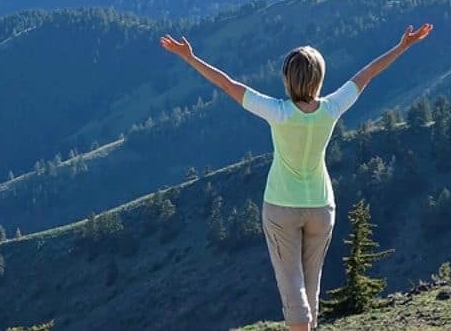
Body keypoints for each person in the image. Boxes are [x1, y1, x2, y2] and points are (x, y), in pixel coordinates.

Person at [159, 23, 433, 330]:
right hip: (321, 205)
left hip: (281, 205)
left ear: (288, 79)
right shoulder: (331, 109)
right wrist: (403, 46)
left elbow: (227, 84)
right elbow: (367, 74)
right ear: (319, 78)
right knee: (310, 285)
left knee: (292, 287)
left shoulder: (278, 111)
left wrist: (190, 58)